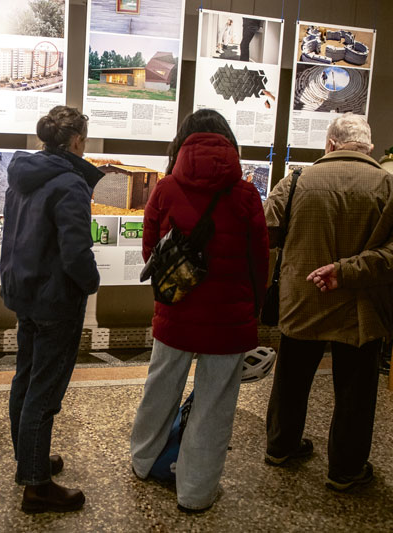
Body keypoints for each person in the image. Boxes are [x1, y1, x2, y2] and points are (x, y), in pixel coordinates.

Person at [130, 109, 269, 513]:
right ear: (228, 142)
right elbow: (258, 262)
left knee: (160, 390)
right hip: (229, 320)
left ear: (183, 141)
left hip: (176, 311)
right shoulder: (245, 194)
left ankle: (142, 463)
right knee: (214, 406)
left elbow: (151, 251)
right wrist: (253, 308)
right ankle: (195, 492)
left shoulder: (166, 187)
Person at [262, 114, 393, 491]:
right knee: (356, 391)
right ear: (369, 149)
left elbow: (267, 233)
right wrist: (348, 269)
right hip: (361, 307)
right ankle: (345, 469)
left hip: (302, 298)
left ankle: (281, 445)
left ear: (330, 144)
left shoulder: (295, 183)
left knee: (291, 378)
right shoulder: (391, 187)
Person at [0, 105, 103, 514]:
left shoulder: (22, 176)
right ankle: (37, 486)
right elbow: (76, 252)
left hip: (24, 292)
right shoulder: (71, 184)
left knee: (25, 379)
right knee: (44, 392)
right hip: (56, 300)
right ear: (77, 141)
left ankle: (29, 461)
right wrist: (92, 282)